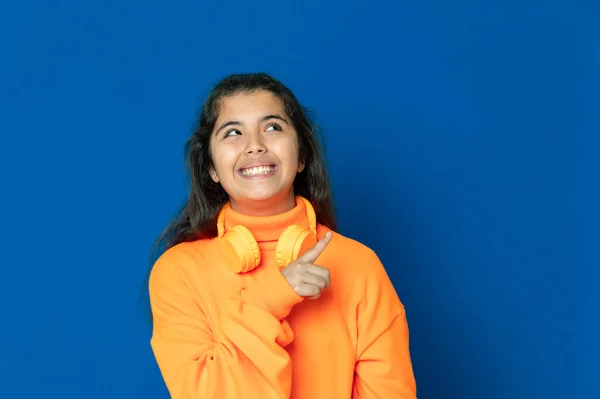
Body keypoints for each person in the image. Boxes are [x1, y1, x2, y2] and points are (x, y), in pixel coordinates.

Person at [146, 72, 417, 398]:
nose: (255, 146)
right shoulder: (178, 272)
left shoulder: (358, 265)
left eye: (272, 127)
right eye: (233, 133)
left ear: (301, 156)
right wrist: (271, 299)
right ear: (212, 169)